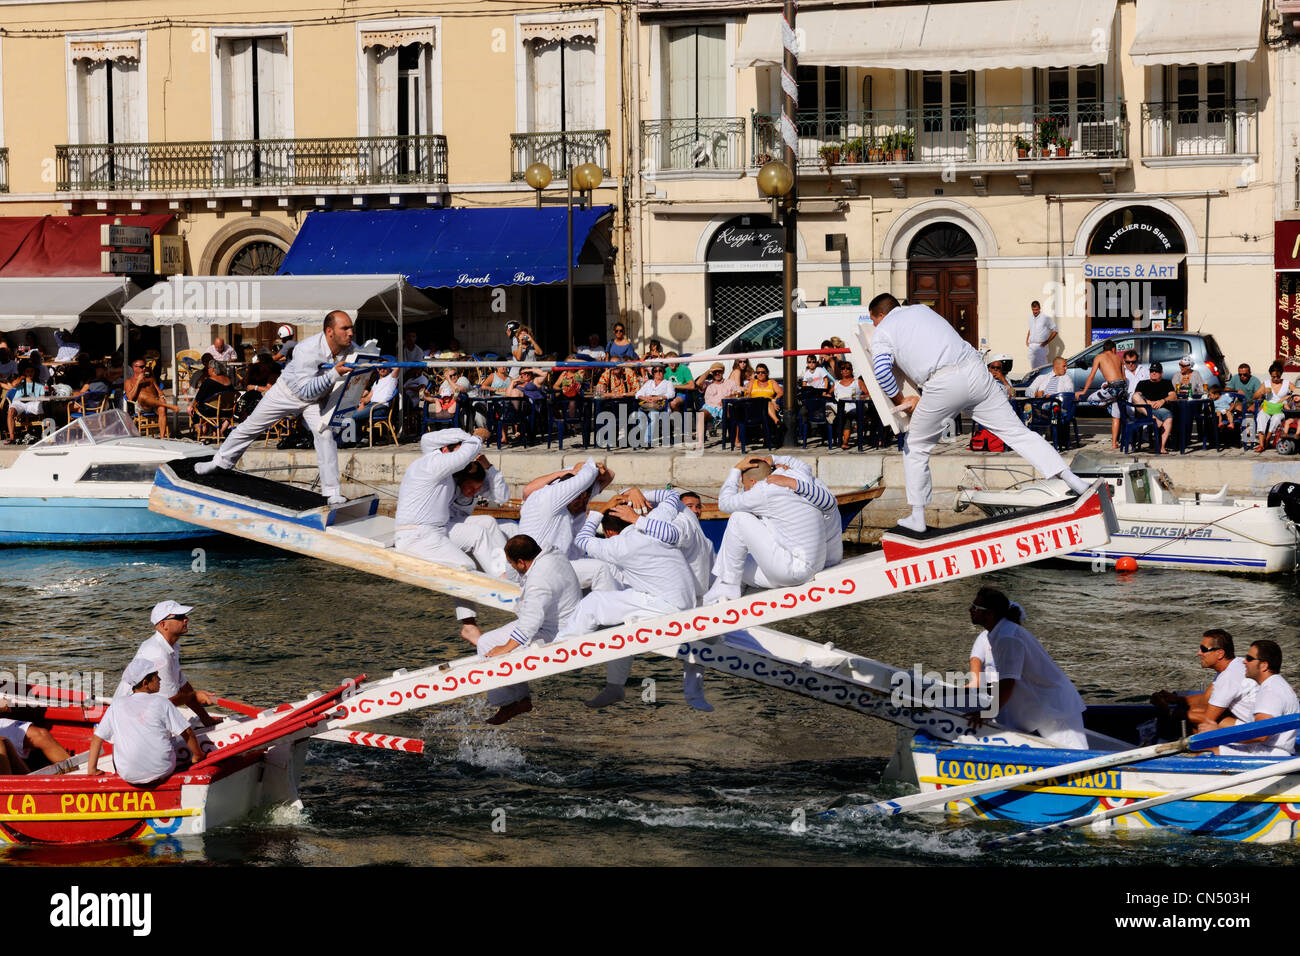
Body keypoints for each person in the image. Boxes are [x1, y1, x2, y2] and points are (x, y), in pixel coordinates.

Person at [867, 293, 1088, 533]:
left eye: (874, 321)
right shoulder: (922, 310)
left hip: (943, 381)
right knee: (1016, 432)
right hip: (975, 370)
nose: (874, 326)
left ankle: (917, 517)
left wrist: (901, 400)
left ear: (880, 315)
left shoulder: (883, 330)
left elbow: (880, 371)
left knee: (916, 446)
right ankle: (1072, 480)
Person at [196, 311, 355, 504]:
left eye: (351, 328)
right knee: (250, 426)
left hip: (313, 401)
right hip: (286, 393)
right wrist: (332, 375)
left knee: (325, 436)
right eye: (345, 328)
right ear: (330, 331)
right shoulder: (307, 349)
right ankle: (219, 462)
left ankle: (331, 492)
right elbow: (306, 390)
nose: (350, 332)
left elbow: (362, 361)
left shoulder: (350, 349)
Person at [564, 492, 696, 709]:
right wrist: (637, 495)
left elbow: (582, 540)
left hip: (667, 607)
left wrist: (600, 509)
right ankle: (615, 687)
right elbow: (672, 495)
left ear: (608, 533)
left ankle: (567, 651)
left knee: (593, 602)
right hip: (680, 601)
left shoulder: (618, 546)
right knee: (619, 627)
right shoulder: (653, 523)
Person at [458, 535, 583, 724]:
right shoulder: (552, 554)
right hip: (556, 620)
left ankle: (511, 702)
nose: (512, 567)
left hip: (555, 631)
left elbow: (530, 623)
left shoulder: (539, 582)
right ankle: (520, 699)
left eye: (512, 563)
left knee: (494, 652)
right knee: (485, 642)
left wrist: (505, 648)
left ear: (521, 562)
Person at [702, 455, 836, 603]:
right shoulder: (797, 475)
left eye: (743, 485)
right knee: (735, 564)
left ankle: (727, 587)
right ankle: (724, 590)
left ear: (752, 482)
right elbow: (802, 464)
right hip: (814, 564)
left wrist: (736, 469)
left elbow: (725, 504)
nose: (744, 489)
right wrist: (774, 458)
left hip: (793, 571)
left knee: (738, 517)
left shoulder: (763, 490)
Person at [968, 586, 1087, 749]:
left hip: (1054, 709)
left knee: (1076, 758)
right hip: (1040, 708)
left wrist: (987, 712)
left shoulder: (1007, 637)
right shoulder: (1000, 633)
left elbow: (1008, 683)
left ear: (990, 613)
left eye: (975, 607)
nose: (970, 610)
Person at [394, 428, 507, 574]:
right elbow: (459, 454)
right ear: (446, 449)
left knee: (481, 531)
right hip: (416, 535)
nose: (467, 460)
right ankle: (503, 587)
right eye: (461, 449)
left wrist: (488, 467)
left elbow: (501, 497)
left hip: (438, 529)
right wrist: (475, 438)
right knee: (466, 565)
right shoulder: (433, 463)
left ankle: (506, 576)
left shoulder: (450, 475)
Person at [85, 658, 204, 784]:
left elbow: (97, 738)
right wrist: (197, 756)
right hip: (162, 770)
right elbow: (187, 732)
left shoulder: (116, 705)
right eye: (156, 677)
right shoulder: (162, 702)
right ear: (145, 683)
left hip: (128, 775)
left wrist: (92, 770)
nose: (160, 679)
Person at [114, 600, 219, 727]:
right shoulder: (158, 654)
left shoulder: (171, 647)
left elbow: (184, 686)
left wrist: (205, 718)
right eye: (180, 617)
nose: (186, 619)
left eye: (185, 616)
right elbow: (166, 702)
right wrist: (195, 696)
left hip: (145, 712)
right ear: (164, 625)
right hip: (131, 721)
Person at [518, 458, 615, 588]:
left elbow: (610, 476)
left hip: (562, 565)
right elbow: (527, 491)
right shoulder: (550, 499)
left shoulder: (580, 499)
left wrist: (600, 468)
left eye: (586, 497)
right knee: (601, 569)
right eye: (578, 497)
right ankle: (606, 607)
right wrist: (589, 465)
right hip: (540, 571)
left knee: (612, 564)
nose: (582, 502)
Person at [1151, 629, 1257, 734]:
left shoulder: (1228, 677)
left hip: (1258, 729)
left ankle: (1198, 750)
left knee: (1202, 723)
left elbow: (1208, 719)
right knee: (1196, 711)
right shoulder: (1236, 663)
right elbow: (1205, 699)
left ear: (1220, 653)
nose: (1199, 653)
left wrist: (1169, 711)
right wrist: (1176, 699)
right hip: (1252, 721)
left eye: (1203, 649)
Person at [1217, 641, 1299, 757]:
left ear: (1264, 666)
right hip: (1270, 749)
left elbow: (1261, 735)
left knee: (1207, 749)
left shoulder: (1271, 692)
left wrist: (1218, 735)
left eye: (1249, 658)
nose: (1244, 662)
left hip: (1267, 755)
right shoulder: (1277, 684)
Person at [124, 358, 180, 438]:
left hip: (154, 405)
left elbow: (159, 392)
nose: (144, 368)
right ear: (134, 368)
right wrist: (138, 382)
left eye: (145, 366)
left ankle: (162, 438)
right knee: (142, 396)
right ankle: (170, 406)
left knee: (162, 408)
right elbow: (130, 398)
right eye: (141, 367)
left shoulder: (150, 378)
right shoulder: (129, 381)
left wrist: (161, 396)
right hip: (142, 406)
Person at [1132, 362, 1175, 453]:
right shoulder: (1143, 383)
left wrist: (1162, 401)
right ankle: (1152, 418)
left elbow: (1173, 396)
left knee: (1169, 417)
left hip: (1160, 410)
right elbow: (1136, 397)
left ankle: (1161, 447)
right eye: (1152, 371)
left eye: (1156, 371)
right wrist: (1148, 402)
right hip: (1145, 410)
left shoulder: (1166, 383)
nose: (1154, 373)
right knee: (1135, 396)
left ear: (1161, 373)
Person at [1253, 361, 1293, 452]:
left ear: (1281, 374)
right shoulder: (1266, 383)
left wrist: (1287, 397)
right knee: (1261, 416)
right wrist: (1262, 392)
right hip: (1268, 407)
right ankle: (1261, 444)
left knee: (1276, 419)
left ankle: (1267, 439)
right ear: (1270, 375)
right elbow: (1254, 396)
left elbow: (1297, 392)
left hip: (1280, 408)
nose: (1275, 379)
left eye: (1278, 377)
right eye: (1273, 377)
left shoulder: (1287, 383)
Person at [635, 364, 676, 445]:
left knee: (653, 415)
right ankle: (641, 438)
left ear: (663, 372)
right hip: (647, 405)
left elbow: (671, 394)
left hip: (660, 407)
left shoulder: (668, 383)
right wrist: (645, 398)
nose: (658, 373)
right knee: (640, 416)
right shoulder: (649, 383)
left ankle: (647, 441)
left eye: (660, 370)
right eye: (656, 371)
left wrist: (657, 398)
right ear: (653, 373)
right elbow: (638, 394)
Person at [5, 363, 46, 443]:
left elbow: (43, 397)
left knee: (41, 406)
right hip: (19, 402)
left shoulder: (39, 385)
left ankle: (42, 432)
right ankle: (12, 437)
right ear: (24, 372)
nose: (30, 373)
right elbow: (13, 385)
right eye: (27, 371)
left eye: (31, 371)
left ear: (34, 372)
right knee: (11, 411)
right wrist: (22, 377)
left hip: (32, 403)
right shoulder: (20, 383)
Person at [746, 363, 784, 429]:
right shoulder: (753, 382)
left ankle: (776, 422)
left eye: (763, 372)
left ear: (767, 373)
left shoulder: (771, 382)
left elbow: (780, 392)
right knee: (766, 403)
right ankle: (776, 420)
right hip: (755, 405)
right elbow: (748, 393)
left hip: (769, 404)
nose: (760, 374)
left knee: (767, 402)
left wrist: (774, 400)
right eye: (758, 372)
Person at [1025, 300, 1058, 369]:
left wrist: (1046, 342)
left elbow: (1055, 330)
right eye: (1033, 310)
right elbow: (1030, 329)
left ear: (1039, 308)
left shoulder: (1045, 318)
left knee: (1042, 366)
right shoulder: (1030, 318)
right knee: (1033, 367)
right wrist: (1027, 340)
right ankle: (1035, 379)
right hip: (1031, 346)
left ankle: (1044, 379)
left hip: (1041, 346)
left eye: (1036, 309)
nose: (1035, 311)